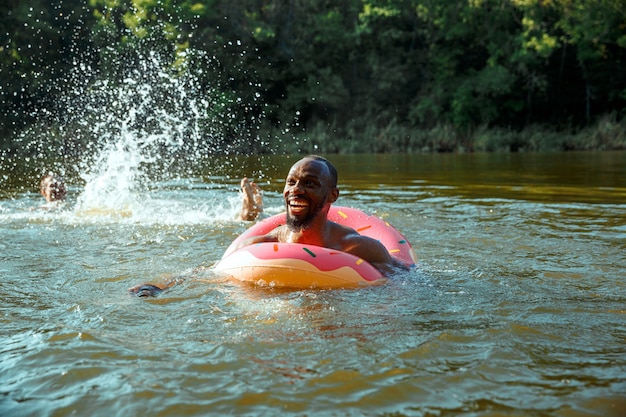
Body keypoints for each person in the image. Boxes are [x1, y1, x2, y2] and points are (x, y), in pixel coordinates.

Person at [129, 155, 404, 297]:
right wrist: (161, 286)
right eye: (291, 182)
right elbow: (210, 272)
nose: (296, 190)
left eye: (310, 184)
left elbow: (405, 278)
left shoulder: (355, 247)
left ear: (332, 196)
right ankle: (249, 210)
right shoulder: (264, 243)